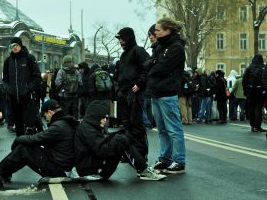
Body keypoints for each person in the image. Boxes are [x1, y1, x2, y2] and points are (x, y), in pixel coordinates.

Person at [0, 99, 78, 187]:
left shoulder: (58, 126)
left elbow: (37, 138)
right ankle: (2, 174)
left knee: (23, 149)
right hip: (61, 166)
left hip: (58, 171)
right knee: (26, 148)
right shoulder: (64, 123)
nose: (45, 117)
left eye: (45, 114)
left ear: (50, 112)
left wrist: (18, 139)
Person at [74, 100, 166, 181]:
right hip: (91, 171)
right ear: (95, 116)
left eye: (106, 118)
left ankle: (143, 168)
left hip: (94, 164)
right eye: (103, 117)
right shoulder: (87, 129)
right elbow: (102, 150)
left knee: (122, 137)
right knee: (121, 141)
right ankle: (143, 170)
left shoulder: (89, 126)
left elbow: (100, 144)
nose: (105, 121)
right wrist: (120, 139)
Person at [146, 18, 186, 174]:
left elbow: (160, 68)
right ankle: (165, 159)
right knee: (162, 130)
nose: (155, 33)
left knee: (174, 129)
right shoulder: (161, 47)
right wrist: (152, 65)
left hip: (167, 93)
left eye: (157, 30)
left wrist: (151, 66)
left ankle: (179, 161)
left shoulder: (175, 47)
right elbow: (151, 64)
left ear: (168, 30)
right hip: (156, 92)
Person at [114, 27, 152, 175]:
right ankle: (132, 154)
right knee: (127, 125)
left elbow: (148, 68)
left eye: (122, 39)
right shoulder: (124, 56)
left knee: (136, 126)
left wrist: (139, 84)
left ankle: (141, 155)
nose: (120, 42)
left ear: (128, 38)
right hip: (124, 94)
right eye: (119, 40)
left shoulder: (138, 51)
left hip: (134, 94)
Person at [2, 37, 42, 136]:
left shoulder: (29, 58)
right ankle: (20, 148)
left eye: (16, 45)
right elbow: (5, 79)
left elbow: (37, 77)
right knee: (18, 126)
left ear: (20, 46)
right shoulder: (8, 61)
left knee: (31, 124)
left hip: (28, 97)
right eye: (12, 46)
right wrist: (8, 89)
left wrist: (28, 89)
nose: (14, 47)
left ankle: (36, 147)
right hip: (14, 98)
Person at [242, 54, 267, 132]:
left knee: (251, 108)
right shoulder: (264, 68)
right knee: (258, 108)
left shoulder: (249, 68)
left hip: (250, 90)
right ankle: (257, 126)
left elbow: (244, 80)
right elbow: (265, 80)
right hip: (260, 90)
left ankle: (252, 125)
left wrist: (245, 91)